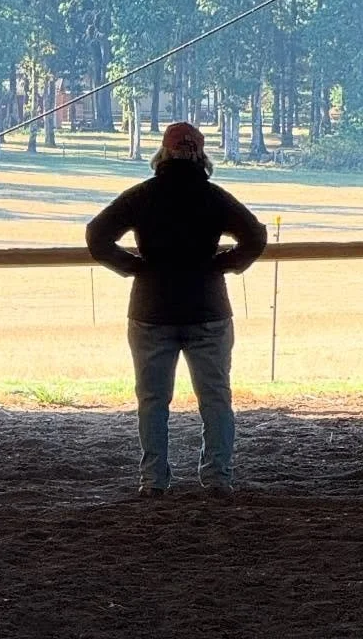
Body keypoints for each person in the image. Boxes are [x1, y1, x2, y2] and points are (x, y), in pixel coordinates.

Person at [86, 121, 267, 499]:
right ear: (201, 156)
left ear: (162, 154)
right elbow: (255, 236)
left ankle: (154, 479)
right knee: (216, 397)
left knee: (153, 399)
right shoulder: (215, 198)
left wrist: (133, 266)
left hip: (152, 308)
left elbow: (97, 235)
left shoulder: (141, 197)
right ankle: (217, 476)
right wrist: (225, 264)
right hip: (208, 307)